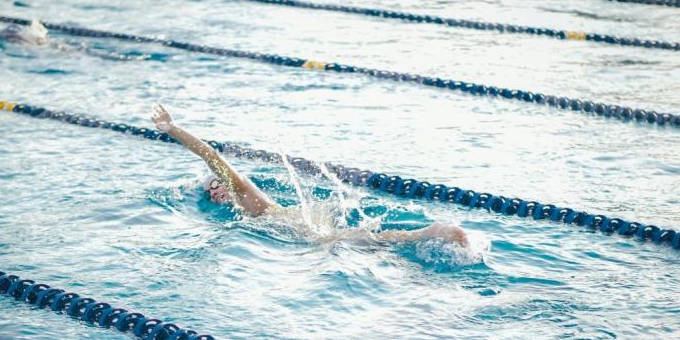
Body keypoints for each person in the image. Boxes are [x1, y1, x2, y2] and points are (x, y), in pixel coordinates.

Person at [151, 103, 471, 247]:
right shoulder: (234, 212)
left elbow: (211, 157)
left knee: (367, 243)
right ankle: (427, 238)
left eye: (218, 184)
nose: (217, 192)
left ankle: (432, 233)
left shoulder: (244, 193)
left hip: (305, 226)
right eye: (212, 192)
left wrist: (173, 129)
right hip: (303, 227)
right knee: (372, 248)